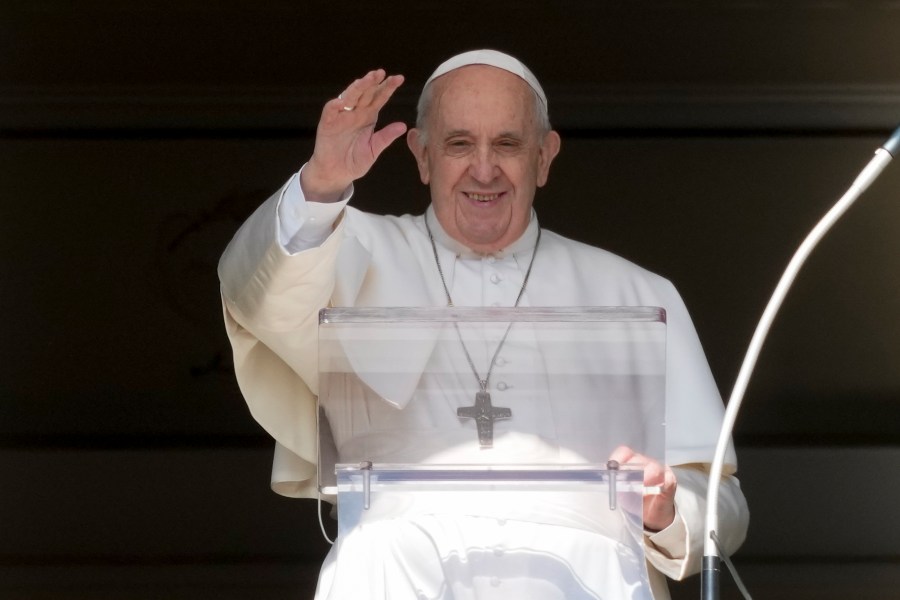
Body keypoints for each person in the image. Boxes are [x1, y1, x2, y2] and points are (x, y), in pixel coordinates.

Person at [218, 49, 748, 599]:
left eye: (508, 144)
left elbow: (722, 506)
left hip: (584, 577)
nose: (485, 169)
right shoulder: (347, 249)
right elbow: (254, 293)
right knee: (374, 552)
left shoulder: (637, 293)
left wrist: (666, 511)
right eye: (459, 143)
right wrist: (323, 182)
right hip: (397, 571)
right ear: (421, 155)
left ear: (545, 157)